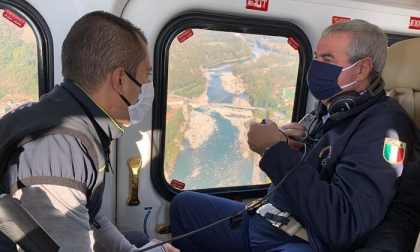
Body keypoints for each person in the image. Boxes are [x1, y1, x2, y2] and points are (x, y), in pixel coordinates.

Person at [169, 19, 420, 252]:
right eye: (316, 56)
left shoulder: (385, 129)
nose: (316, 65)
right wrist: (294, 148)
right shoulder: (335, 110)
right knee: (184, 206)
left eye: (328, 59)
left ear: (362, 68)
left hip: (300, 240)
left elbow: (342, 225)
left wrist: (274, 152)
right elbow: (323, 167)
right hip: (272, 220)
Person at [0, 11, 179, 252]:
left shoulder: (70, 118)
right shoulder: (59, 151)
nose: (147, 87)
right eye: (146, 75)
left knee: (135, 239)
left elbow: (89, 214)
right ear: (120, 80)